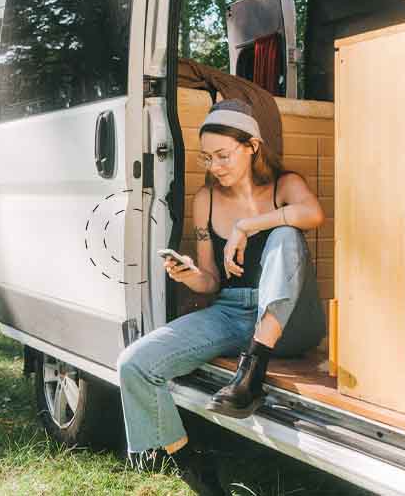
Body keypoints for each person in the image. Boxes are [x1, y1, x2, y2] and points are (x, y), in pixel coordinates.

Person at [117, 99, 327, 494]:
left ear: (252, 147)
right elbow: (211, 281)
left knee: (284, 234)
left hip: (289, 320)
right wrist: (191, 275)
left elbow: (312, 214)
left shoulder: (286, 184)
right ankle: (193, 467)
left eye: (223, 155)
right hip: (232, 312)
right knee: (135, 363)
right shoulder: (206, 200)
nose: (214, 166)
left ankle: (252, 373)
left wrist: (247, 225)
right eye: (207, 157)